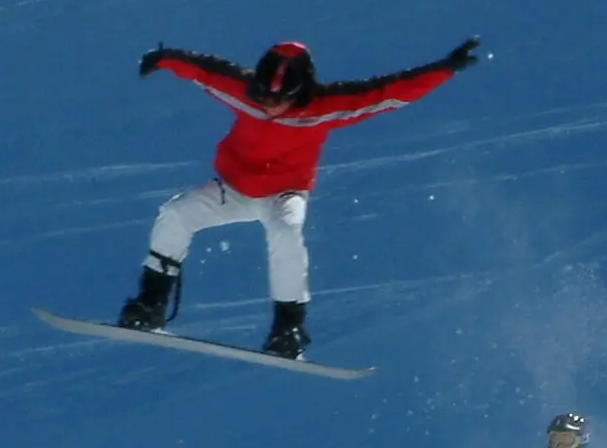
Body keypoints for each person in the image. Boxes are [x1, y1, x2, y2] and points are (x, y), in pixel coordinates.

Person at [114, 36, 483, 359]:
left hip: (284, 193)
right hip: (233, 188)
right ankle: (150, 305)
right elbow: (203, 69)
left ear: (301, 91)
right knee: (176, 213)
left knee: (286, 232)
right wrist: (161, 58)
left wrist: (445, 68)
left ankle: (288, 329)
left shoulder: (324, 107)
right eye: (263, 95)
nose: (270, 105)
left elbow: (387, 92)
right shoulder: (241, 90)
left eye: (281, 98)